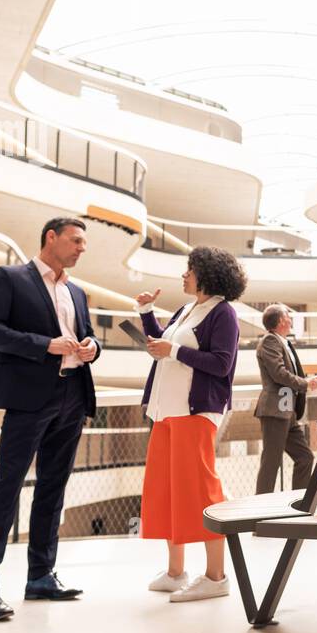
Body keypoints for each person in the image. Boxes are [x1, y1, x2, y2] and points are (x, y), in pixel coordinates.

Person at [0, 217, 101, 622]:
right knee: (7, 486)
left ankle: (41, 576)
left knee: (53, 489)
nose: (82, 248)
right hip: (28, 400)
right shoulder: (9, 278)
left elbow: (88, 335)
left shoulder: (76, 292)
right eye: (76, 240)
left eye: (83, 242)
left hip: (73, 396)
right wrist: (46, 345)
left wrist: (93, 346)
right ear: (51, 238)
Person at [135, 247, 246, 602]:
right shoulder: (186, 310)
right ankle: (175, 571)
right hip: (167, 411)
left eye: (190, 270)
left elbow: (221, 364)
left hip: (195, 413)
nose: (184, 275)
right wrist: (146, 313)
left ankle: (216, 577)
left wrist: (174, 352)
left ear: (207, 275)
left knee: (201, 490)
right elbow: (164, 345)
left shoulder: (223, 313)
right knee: (167, 489)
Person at [253, 304, 317, 495]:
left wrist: (305, 382)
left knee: (305, 457)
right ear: (281, 320)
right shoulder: (270, 341)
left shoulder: (283, 342)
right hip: (275, 411)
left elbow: (287, 372)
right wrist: (305, 384)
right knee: (271, 463)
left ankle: (298, 506)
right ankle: (259, 510)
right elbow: (278, 373)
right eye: (288, 316)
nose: (291, 320)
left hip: (287, 412)